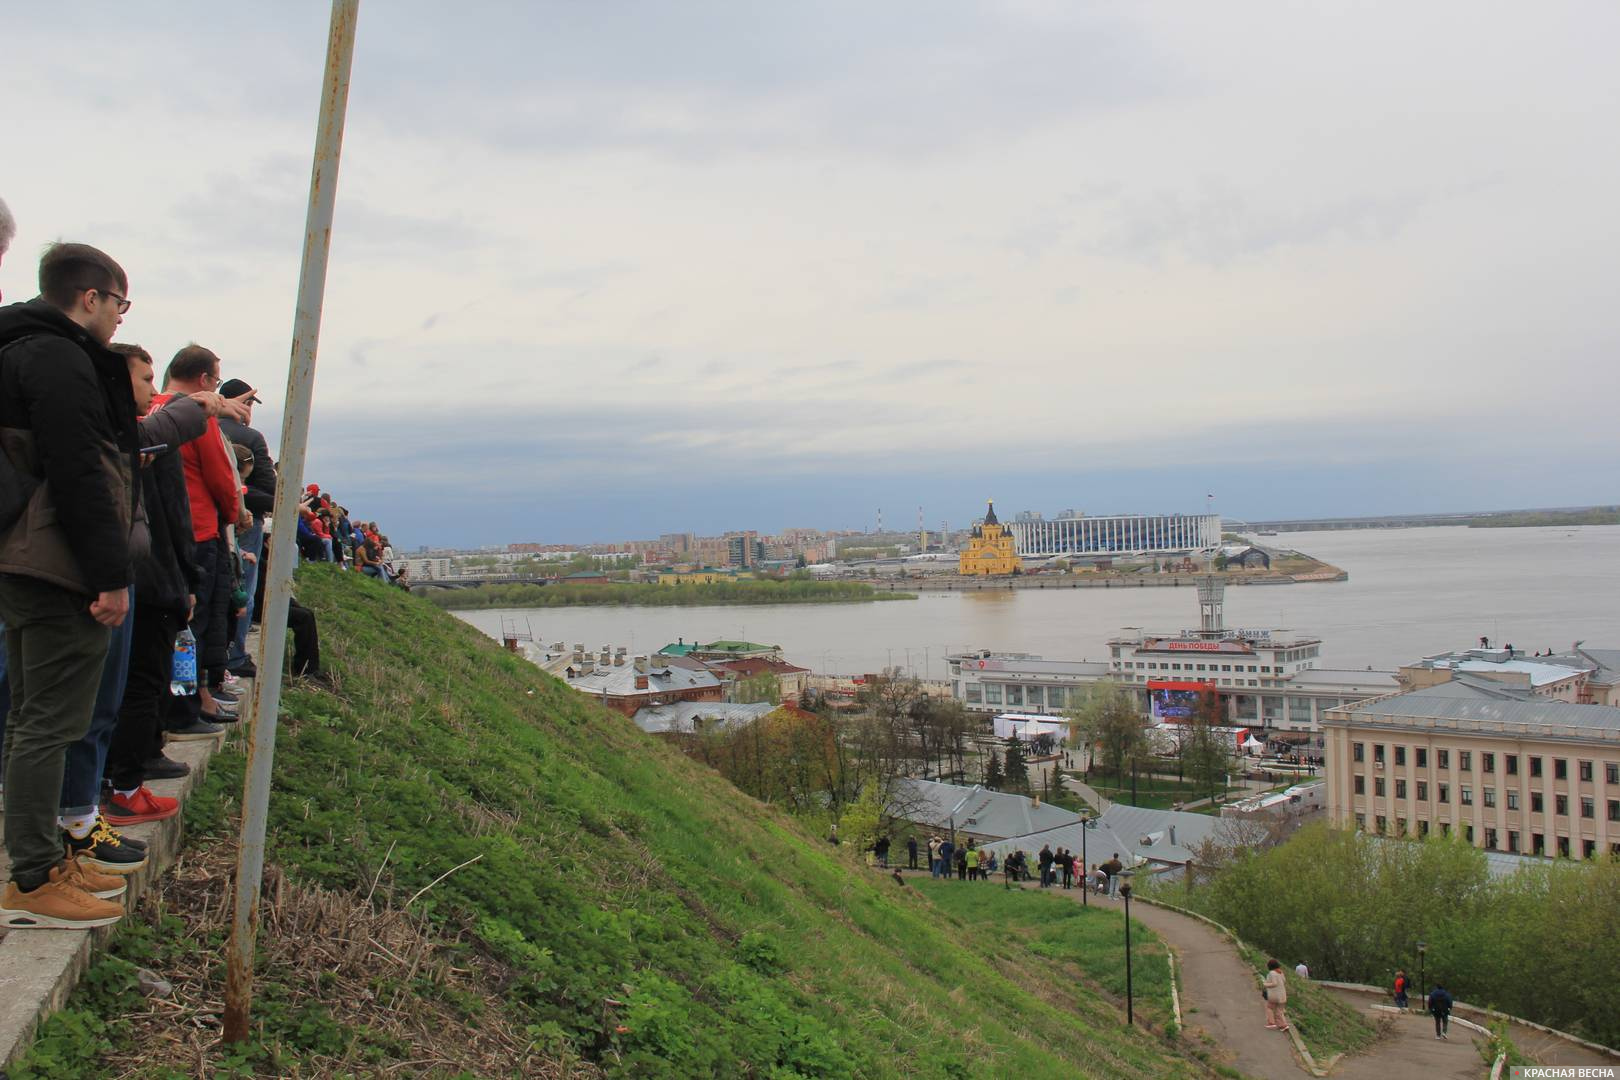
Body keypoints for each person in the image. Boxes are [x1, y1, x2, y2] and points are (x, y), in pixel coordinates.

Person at [0, 243, 138, 928]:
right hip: (57, 563)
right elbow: (83, 470)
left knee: (34, 718)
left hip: (31, 557)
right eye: (119, 304)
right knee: (49, 723)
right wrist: (110, 575)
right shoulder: (57, 357)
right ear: (90, 298)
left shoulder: (22, 347)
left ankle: (45, 859)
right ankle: (32, 876)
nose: (119, 319)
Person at [217, 378, 272, 679]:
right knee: (242, 592)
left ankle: (214, 661)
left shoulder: (205, 427)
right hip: (246, 522)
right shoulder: (250, 437)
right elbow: (269, 486)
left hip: (213, 523)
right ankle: (235, 655)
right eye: (250, 403)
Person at [1262, 958, 1289, 1031]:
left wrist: (1265, 984)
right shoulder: (1280, 972)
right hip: (1282, 995)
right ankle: (1283, 1025)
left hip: (1274, 995)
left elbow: (1274, 983)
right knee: (1279, 1011)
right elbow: (1284, 981)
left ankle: (1272, 1023)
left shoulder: (1272, 973)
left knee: (1269, 1007)